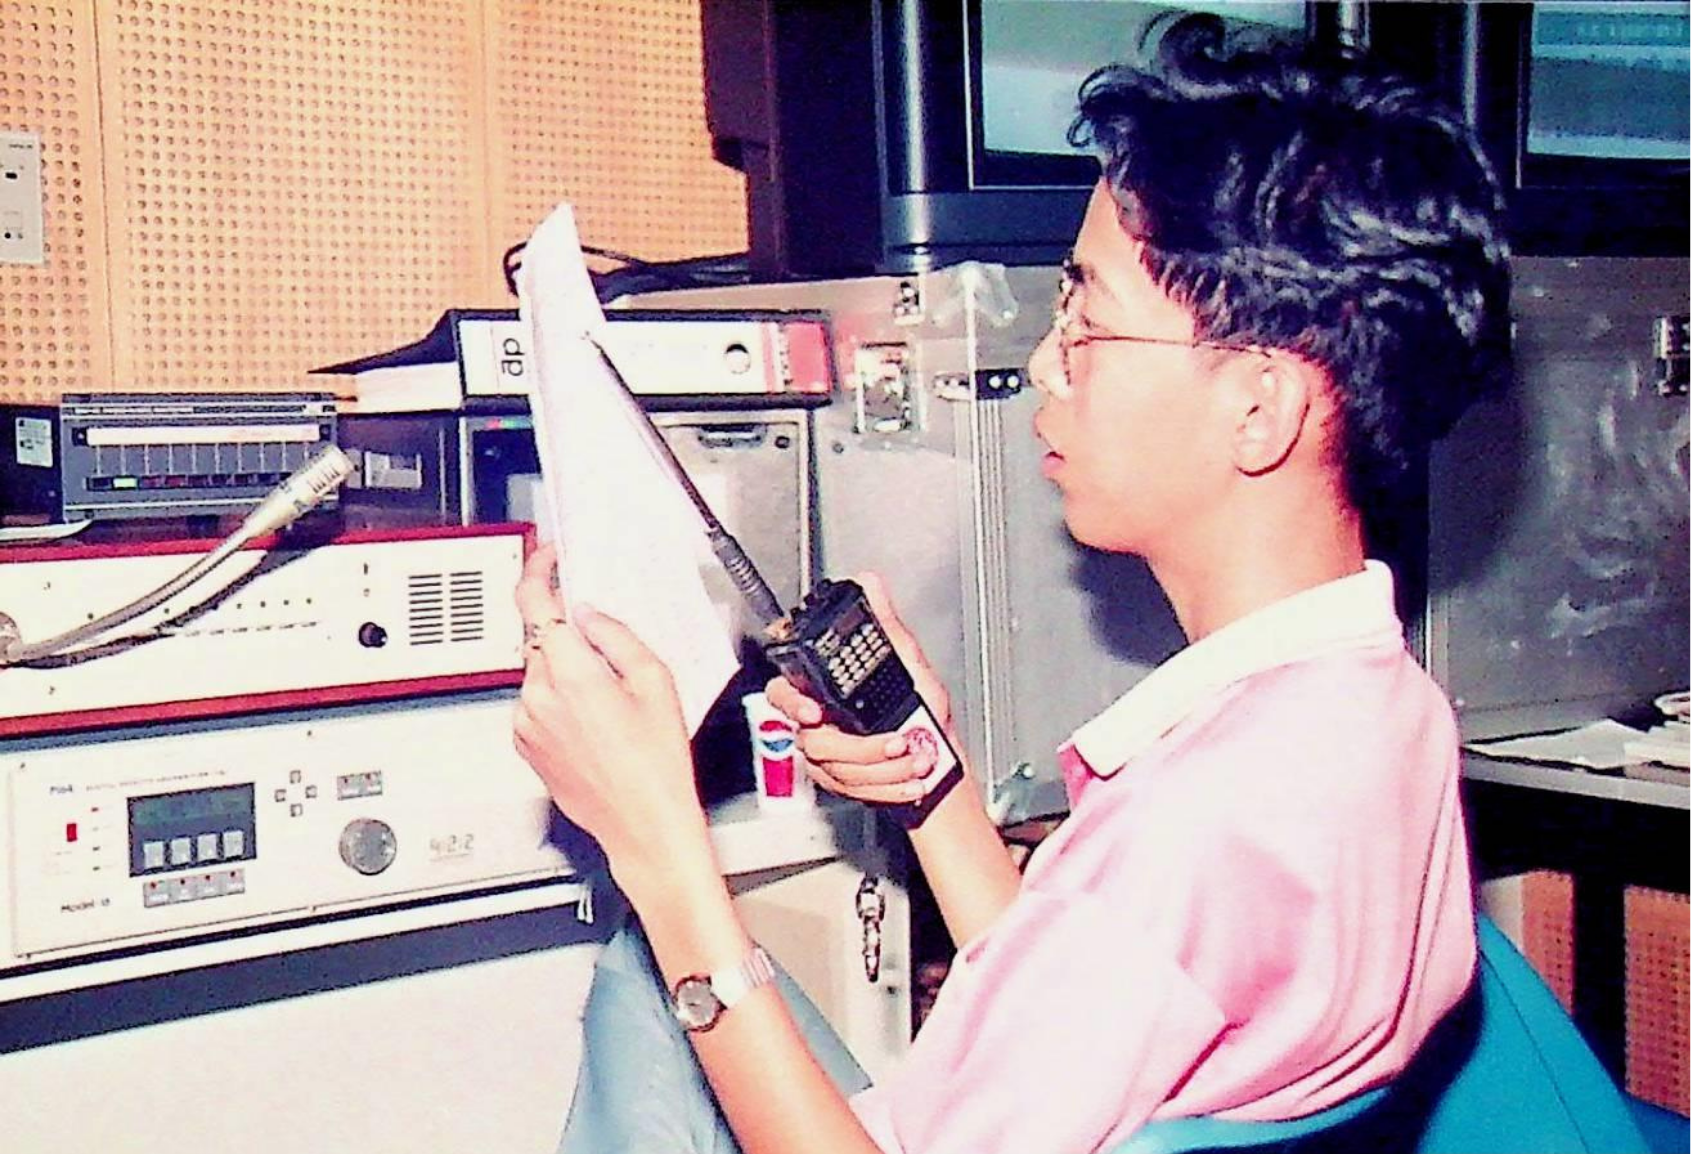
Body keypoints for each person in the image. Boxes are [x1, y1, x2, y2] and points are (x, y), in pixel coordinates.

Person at [511, 24, 1511, 1154]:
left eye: (1087, 323)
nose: (1044, 362)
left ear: (1259, 409)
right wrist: (933, 785)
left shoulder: (1194, 823)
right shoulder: (1385, 710)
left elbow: (1142, 912)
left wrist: (658, 850)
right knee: (643, 995)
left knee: (648, 972)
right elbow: (1094, 992)